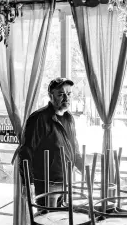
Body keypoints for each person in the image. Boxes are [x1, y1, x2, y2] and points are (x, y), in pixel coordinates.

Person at [18, 77, 82, 207]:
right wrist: (28, 182)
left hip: (66, 181)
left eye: (69, 94)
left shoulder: (69, 118)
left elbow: (74, 148)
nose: (66, 98)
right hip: (47, 184)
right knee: (48, 222)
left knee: (63, 221)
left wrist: (85, 170)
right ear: (50, 96)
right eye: (61, 94)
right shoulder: (38, 119)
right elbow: (25, 151)